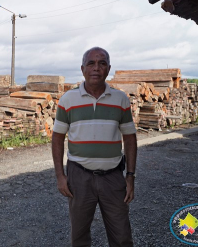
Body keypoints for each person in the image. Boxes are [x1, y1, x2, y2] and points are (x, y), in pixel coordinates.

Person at [52, 47, 137, 247]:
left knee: (122, 236)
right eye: (91, 63)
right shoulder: (68, 100)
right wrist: (60, 176)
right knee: (79, 237)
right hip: (79, 177)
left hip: (113, 178)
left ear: (108, 69)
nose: (96, 68)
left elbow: (130, 139)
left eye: (102, 63)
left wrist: (130, 176)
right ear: (83, 69)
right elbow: (57, 138)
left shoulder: (120, 99)